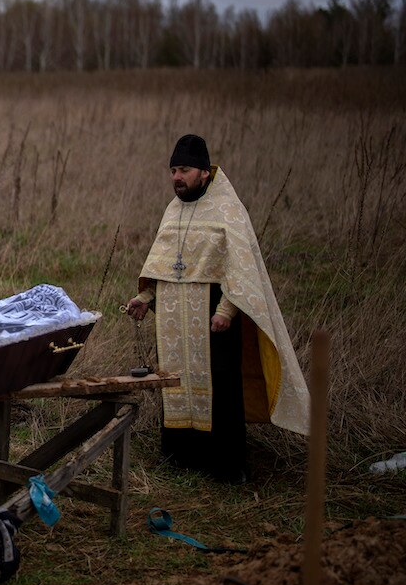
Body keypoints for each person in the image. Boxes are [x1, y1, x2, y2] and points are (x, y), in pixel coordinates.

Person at [125, 134, 308, 483]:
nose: (177, 177)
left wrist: (226, 310)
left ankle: (227, 466)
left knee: (220, 387)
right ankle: (182, 457)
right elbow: (165, 265)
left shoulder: (228, 210)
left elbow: (239, 271)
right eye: (173, 170)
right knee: (176, 381)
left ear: (205, 173)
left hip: (215, 317)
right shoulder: (174, 208)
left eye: (185, 170)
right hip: (176, 316)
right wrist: (145, 299)